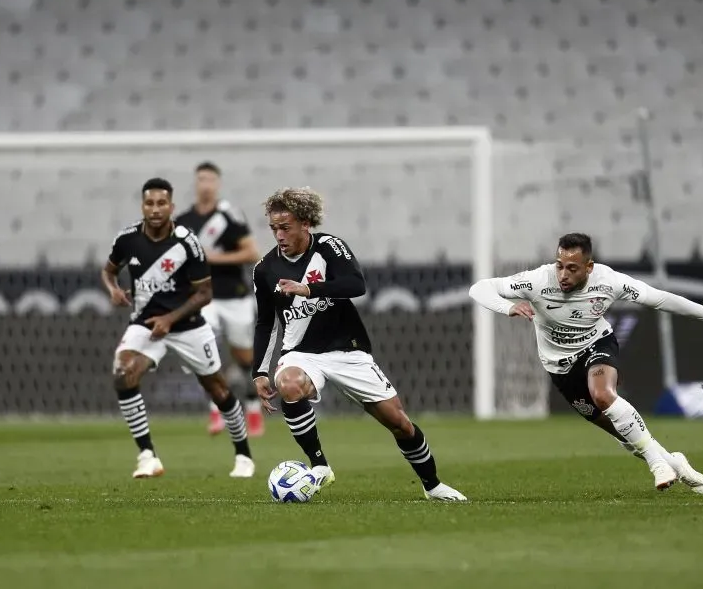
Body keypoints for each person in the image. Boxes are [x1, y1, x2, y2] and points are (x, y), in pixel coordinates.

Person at [469, 232, 703, 493]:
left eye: (572, 268)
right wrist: (508, 307)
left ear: (588, 267)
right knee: (623, 433)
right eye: (559, 265)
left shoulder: (609, 281)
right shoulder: (538, 280)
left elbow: (660, 299)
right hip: (560, 368)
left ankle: (657, 464)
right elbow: (480, 288)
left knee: (603, 394)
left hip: (597, 345)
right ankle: (674, 462)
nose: (563, 274)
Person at [252, 187, 466, 501]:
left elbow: (356, 285)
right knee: (289, 384)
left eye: (285, 227)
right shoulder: (264, 270)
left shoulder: (329, 247)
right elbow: (264, 323)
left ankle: (433, 486)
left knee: (399, 423)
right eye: (274, 229)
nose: (279, 235)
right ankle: (320, 465)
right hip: (301, 354)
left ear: (305, 223)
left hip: (347, 350)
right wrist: (258, 371)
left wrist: (308, 289)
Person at [103, 177, 255, 479]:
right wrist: (113, 289)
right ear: (143, 206)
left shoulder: (187, 242)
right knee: (124, 374)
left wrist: (170, 320)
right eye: (150, 203)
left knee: (219, 390)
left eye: (162, 203)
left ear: (171, 207)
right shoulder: (127, 239)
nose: (156, 209)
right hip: (146, 324)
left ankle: (244, 455)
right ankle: (147, 456)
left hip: (187, 327)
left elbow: (204, 294)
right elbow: (108, 271)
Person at [175, 162, 263, 436]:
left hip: (235, 297)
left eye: (211, 179)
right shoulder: (184, 221)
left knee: (245, 359)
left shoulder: (229, 216)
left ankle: (253, 411)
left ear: (218, 184)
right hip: (205, 297)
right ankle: (218, 412)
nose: (206, 184)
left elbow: (252, 253)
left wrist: (213, 258)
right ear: (195, 182)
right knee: (206, 344)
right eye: (201, 179)